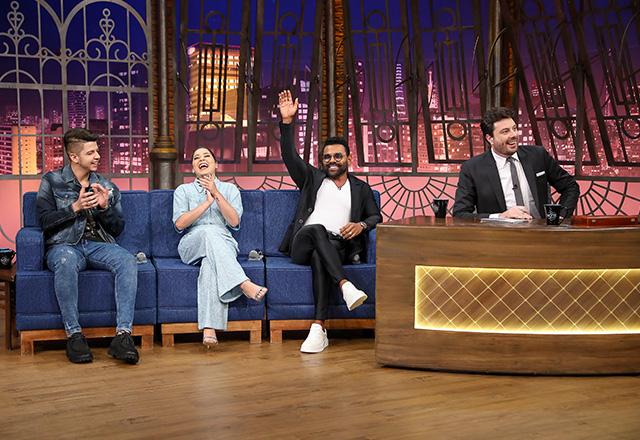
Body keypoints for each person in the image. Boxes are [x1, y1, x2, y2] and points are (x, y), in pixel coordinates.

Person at [278, 90, 382, 354]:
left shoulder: (361, 189)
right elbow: (290, 156)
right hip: (303, 241)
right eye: (327, 157)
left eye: (337, 156)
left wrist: (361, 226)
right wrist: (287, 123)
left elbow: (375, 216)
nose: (332, 161)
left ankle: (318, 328)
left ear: (348, 158)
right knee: (315, 230)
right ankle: (346, 285)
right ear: (321, 161)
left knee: (319, 258)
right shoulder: (312, 179)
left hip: (338, 246)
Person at [36, 128, 139, 364]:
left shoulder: (105, 184)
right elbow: (43, 222)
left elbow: (117, 229)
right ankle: (74, 335)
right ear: (74, 157)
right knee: (65, 261)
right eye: (91, 152)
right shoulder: (51, 181)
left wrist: (105, 208)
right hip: (64, 246)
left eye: (97, 151)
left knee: (127, 260)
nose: (97, 156)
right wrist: (75, 207)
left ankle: (123, 337)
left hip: (97, 244)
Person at [173, 147, 267, 348]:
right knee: (208, 232)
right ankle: (243, 283)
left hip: (224, 244)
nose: (201, 159)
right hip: (191, 244)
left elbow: (233, 222)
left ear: (216, 164)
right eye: (196, 157)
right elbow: (180, 224)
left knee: (210, 265)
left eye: (206, 156)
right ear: (193, 168)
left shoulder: (230, 190)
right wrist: (205, 204)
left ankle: (209, 328)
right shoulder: (183, 191)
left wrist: (215, 193)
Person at [453, 107, 580, 220]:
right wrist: (500, 217)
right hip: (497, 238)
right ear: (490, 138)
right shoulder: (472, 168)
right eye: (505, 131)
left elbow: (570, 186)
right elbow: (460, 213)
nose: (514, 135)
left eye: (514, 129)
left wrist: (560, 216)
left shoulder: (537, 156)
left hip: (539, 235)